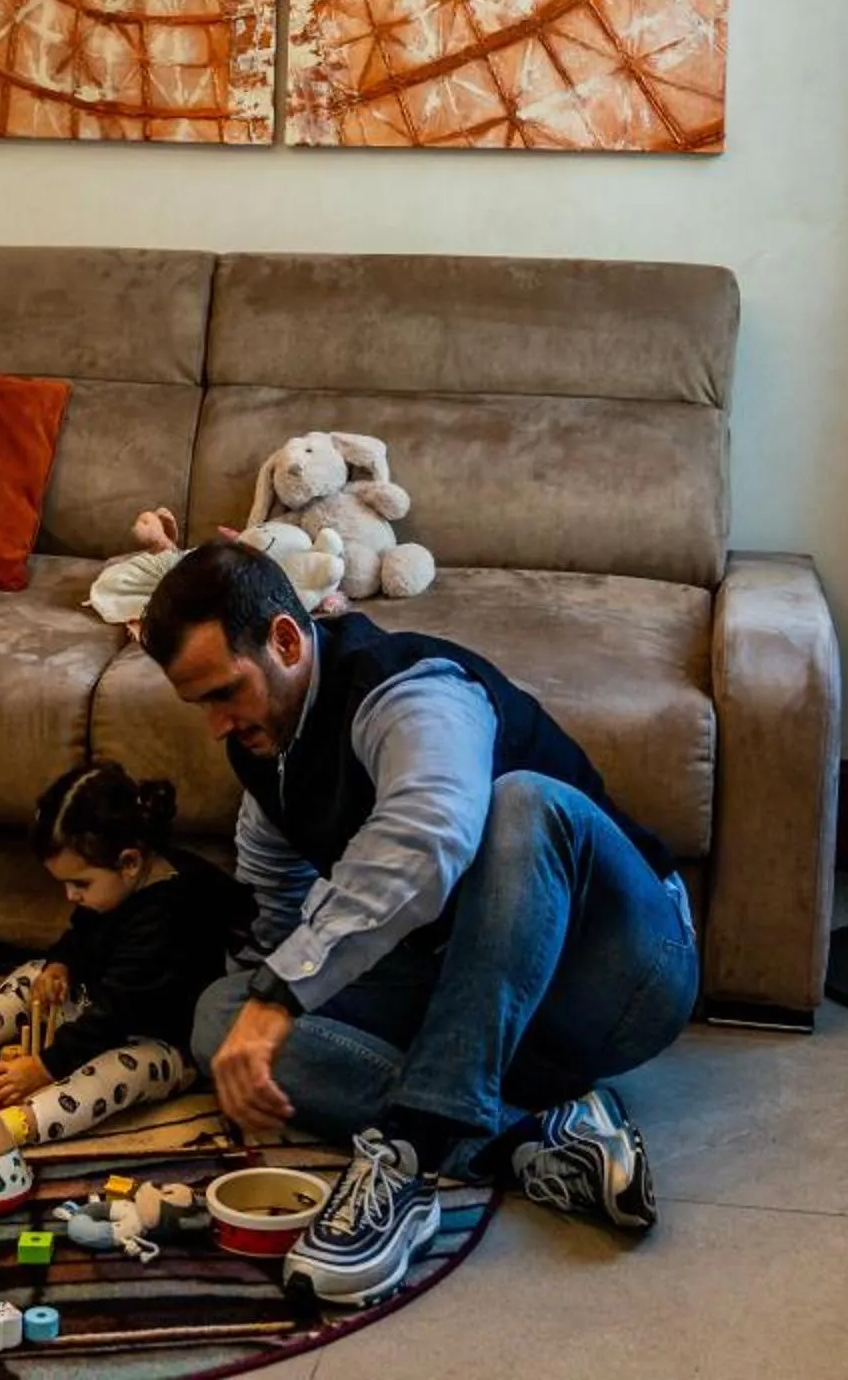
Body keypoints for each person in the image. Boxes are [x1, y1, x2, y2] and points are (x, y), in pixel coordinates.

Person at [145, 541, 697, 1307]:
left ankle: (407, 1156)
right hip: (475, 996)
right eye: (197, 703)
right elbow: (274, 902)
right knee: (221, 1018)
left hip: (619, 971)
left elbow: (428, 832)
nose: (214, 724)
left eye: (224, 692)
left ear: (285, 638)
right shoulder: (263, 749)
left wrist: (284, 998)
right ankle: (528, 1140)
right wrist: (256, 1015)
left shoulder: (410, 687)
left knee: (520, 804)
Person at [0, 759, 248, 1148]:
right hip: (101, 1011)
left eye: (80, 883)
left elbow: (115, 1013)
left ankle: (25, 1123)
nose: (70, 895)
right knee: (32, 973)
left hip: (163, 1043)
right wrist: (61, 964)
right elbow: (80, 934)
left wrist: (45, 1067)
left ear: (130, 862)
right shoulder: (113, 890)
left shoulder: (167, 915)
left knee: (117, 1072)